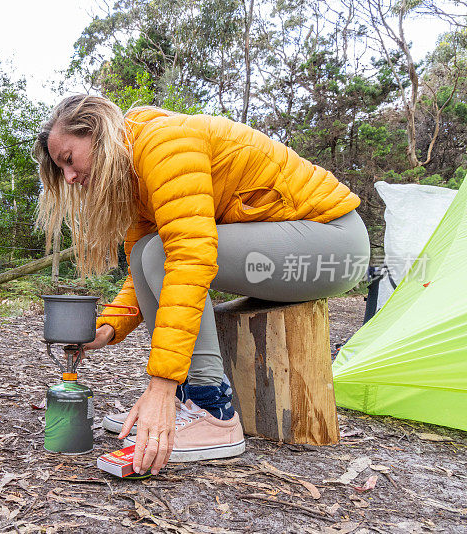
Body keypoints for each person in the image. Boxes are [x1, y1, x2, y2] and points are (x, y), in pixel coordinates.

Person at [33, 95, 370, 476]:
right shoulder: (135, 172)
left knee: (165, 251)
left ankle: (212, 408)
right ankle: (186, 402)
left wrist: (160, 384)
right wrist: (108, 327)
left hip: (334, 244)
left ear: (95, 132)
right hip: (291, 251)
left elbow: (188, 256)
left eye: (68, 160)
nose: (70, 178)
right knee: (148, 249)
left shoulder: (163, 143)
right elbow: (144, 267)